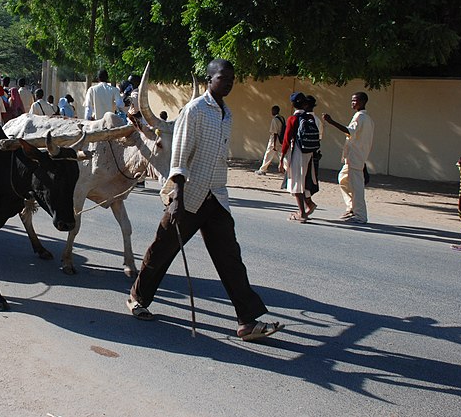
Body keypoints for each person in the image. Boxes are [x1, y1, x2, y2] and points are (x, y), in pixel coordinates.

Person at [126, 59, 282, 341]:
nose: (229, 82)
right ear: (210, 79)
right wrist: (177, 196)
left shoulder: (227, 114)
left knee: (230, 258)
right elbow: (180, 154)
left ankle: (247, 321)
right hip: (189, 194)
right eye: (223, 77)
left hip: (217, 197)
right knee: (163, 249)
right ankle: (137, 298)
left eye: (232, 78)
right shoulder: (195, 110)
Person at [323, 92, 374, 224]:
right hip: (354, 157)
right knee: (343, 179)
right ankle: (351, 208)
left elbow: (348, 131)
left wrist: (331, 121)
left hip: (355, 156)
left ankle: (360, 215)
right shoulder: (366, 118)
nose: (352, 103)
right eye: (352, 100)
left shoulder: (361, 117)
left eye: (355, 101)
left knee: (356, 186)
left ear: (362, 102)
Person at [278, 92, 318, 222]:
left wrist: (282, 157)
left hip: (297, 152)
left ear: (293, 104)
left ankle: (302, 213)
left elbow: (286, 139)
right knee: (303, 180)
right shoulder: (310, 118)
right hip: (309, 153)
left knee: (296, 182)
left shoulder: (293, 119)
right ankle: (307, 206)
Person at [255, 105, 285, 176]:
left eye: (272, 110)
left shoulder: (275, 120)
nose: (271, 112)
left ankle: (262, 170)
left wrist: (274, 144)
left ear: (275, 111)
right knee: (282, 155)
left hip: (274, 140)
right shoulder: (282, 118)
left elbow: (274, 133)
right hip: (281, 139)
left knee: (268, 155)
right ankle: (286, 169)